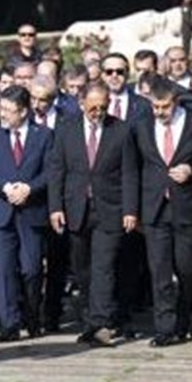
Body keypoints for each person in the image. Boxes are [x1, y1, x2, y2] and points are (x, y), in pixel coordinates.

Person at [47, 82, 138, 347]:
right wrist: (55, 207)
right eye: (93, 107)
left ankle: (101, 322)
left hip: (110, 209)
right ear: (81, 103)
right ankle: (89, 321)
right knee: (82, 269)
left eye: (103, 106)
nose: (98, 112)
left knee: (104, 267)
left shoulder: (120, 130)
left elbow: (130, 173)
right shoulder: (66, 129)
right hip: (76, 209)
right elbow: (57, 171)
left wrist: (130, 209)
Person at [135, 75, 192, 347]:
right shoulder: (142, 126)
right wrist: (135, 209)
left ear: (175, 102)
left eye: (164, 107)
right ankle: (165, 327)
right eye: (155, 107)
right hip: (155, 208)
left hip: (187, 206)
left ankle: (185, 319)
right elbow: (136, 167)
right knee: (160, 271)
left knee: (188, 267)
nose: (160, 113)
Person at [0, 85, 51, 342]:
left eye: (9, 110)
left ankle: (32, 317)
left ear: (23, 111)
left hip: (32, 211)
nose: (3, 114)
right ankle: (9, 323)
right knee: (6, 269)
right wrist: (7, 187)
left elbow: (51, 171)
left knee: (31, 268)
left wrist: (29, 189)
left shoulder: (44, 136)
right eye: (2, 108)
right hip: (1, 210)